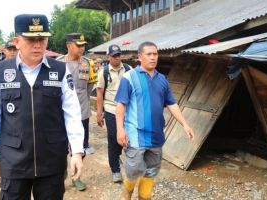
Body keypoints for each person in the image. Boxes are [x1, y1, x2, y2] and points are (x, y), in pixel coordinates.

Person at [0, 14, 84, 199]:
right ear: (17, 41)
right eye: (31, 39)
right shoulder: (1, 72)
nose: (37, 45)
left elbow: (72, 114)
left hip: (51, 160)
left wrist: (76, 151)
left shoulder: (60, 70)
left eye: (42, 39)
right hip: (14, 162)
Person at [115, 41, 195, 200]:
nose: (153, 57)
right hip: (135, 135)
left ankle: (144, 196)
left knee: (151, 170)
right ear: (140, 57)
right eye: (149, 54)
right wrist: (120, 129)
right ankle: (127, 192)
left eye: (155, 54)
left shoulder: (162, 80)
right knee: (134, 169)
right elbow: (121, 104)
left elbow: (171, 103)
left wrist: (185, 124)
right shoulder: (129, 77)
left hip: (156, 135)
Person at [56, 32, 96, 191]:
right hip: (60, 114)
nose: (82, 48)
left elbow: (89, 88)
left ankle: (76, 176)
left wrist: (83, 105)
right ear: (68, 46)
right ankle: (61, 174)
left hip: (82, 113)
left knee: (81, 147)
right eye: (78, 45)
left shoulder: (88, 64)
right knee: (59, 147)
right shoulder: (58, 64)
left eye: (83, 45)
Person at [96, 44, 131, 183]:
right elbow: (99, 93)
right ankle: (115, 170)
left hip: (127, 111)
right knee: (113, 138)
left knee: (126, 138)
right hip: (111, 109)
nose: (117, 58)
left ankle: (117, 157)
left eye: (119, 55)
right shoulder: (103, 72)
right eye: (114, 56)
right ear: (108, 57)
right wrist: (99, 113)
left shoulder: (128, 69)